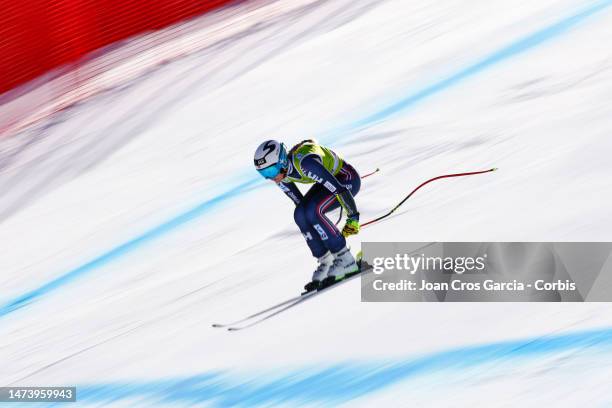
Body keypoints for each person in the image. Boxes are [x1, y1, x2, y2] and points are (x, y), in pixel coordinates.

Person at [253, 139, 361, 292]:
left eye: (271, 171)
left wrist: (353, 218)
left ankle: (345, 259)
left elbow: (339, 189)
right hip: (328, 184)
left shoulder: (306, 163)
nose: (271, 177)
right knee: (300, 214)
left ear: (282, 161)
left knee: (313, 210)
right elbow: (301, 207)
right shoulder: (282, 175)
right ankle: (327, 260)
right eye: (264, 174)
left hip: (346, 180)